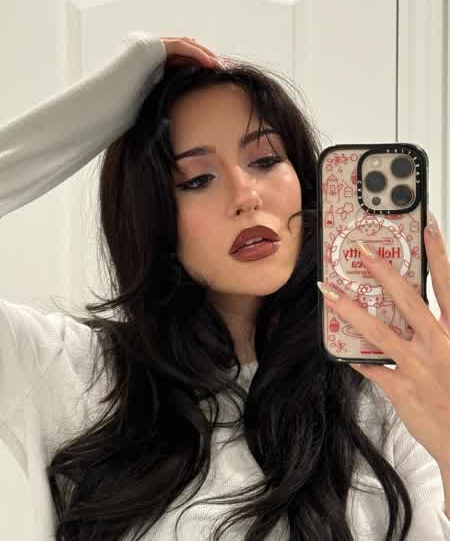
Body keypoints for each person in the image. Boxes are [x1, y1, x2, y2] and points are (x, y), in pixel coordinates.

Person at [0, 31, 449, 541]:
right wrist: (106, 101)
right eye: (196, 179)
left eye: (266, 160)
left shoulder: (387, 401)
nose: (246, 195)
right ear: (153, 217)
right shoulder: (70, 370)